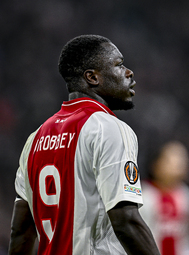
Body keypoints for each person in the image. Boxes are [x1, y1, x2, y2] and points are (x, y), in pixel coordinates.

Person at [8, 35, 160, 255]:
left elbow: (21, 231)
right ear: (92, 77)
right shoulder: (108, 129)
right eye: (119, 65)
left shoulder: (35, 138)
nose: (129, 72)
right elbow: (126, 221)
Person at [140, 141, 189, 255]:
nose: (179, 164)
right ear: (156, 164)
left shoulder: (185, 195)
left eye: (182, 159)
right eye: (172, 159)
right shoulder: (144, 195)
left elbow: (184, 238)